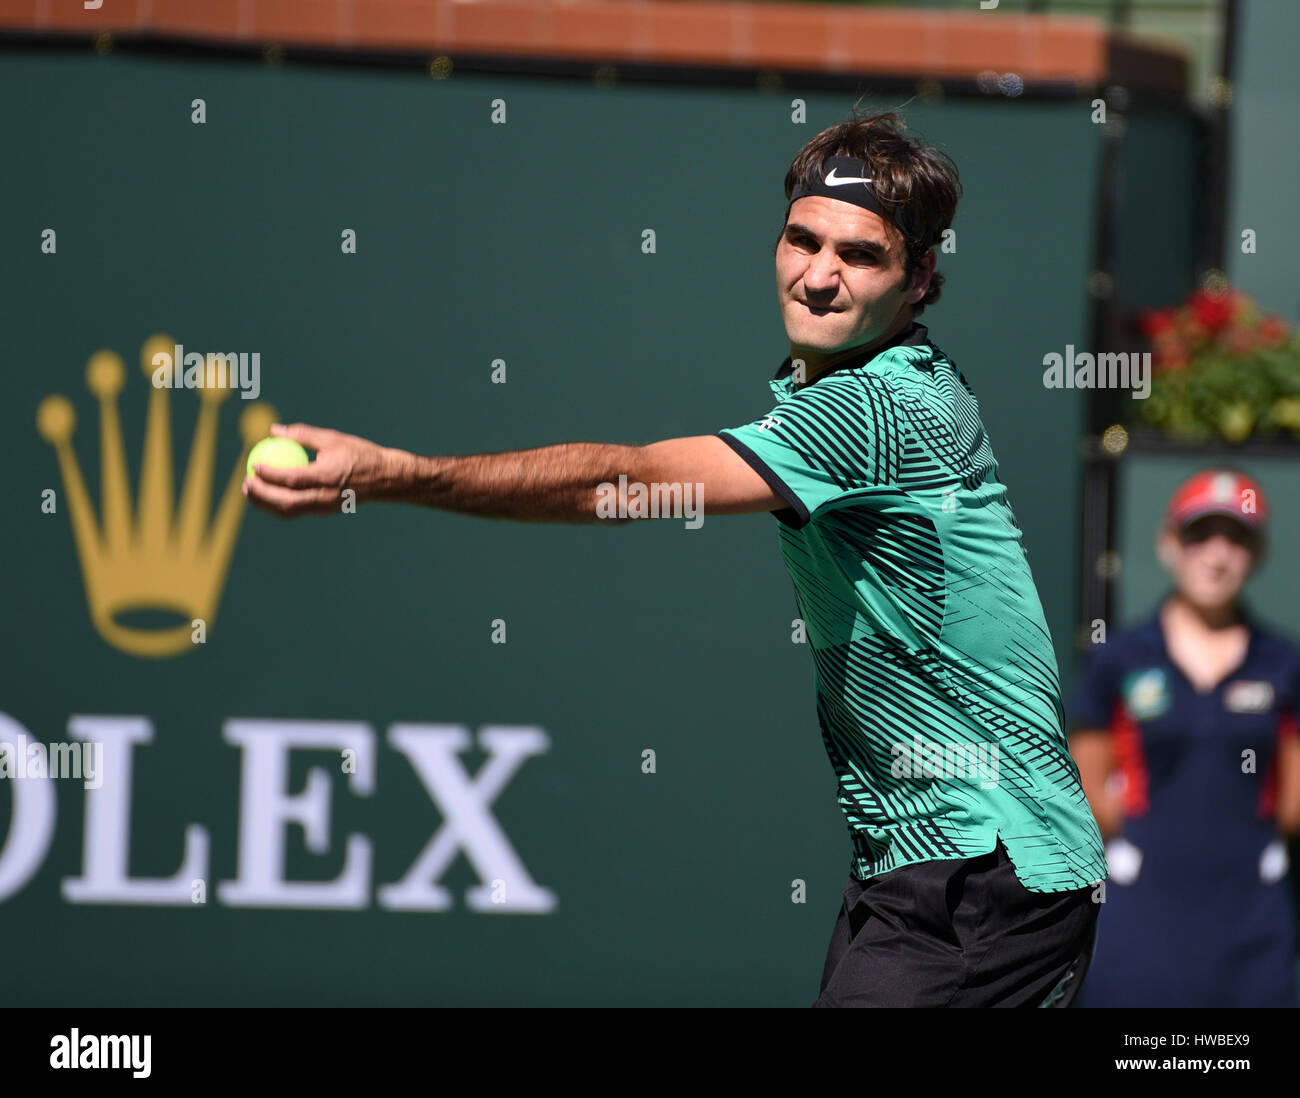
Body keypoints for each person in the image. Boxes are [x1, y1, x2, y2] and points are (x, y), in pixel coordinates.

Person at [244, 110, 1107, 1007]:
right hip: (934, 867)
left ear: (919, 279)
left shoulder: (873, 413)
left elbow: (626, 483)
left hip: (984, 874)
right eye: (801, 241)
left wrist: (396, 474)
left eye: (859, 256)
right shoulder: (886, 382)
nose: (817, 277)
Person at [1069, 469, 1300, 1007]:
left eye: (1236, 539)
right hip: (1139, 913)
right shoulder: (1121, 658)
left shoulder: (1283, 664)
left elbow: (1292, 800)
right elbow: (1086, 788)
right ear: (1169, 544)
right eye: (1201, 535)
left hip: (1253, 921)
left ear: (1257, 553)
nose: (1217, 556)